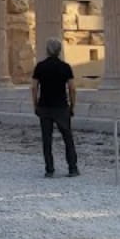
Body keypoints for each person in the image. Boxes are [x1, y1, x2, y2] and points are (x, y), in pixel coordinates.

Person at [31, 38, 79, 179]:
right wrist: (72, 105)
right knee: (67, 138)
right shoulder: (65, 67)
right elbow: (72, 88)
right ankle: (72, 168)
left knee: (47, 139)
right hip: (61, 106)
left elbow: (34, 87)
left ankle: (49, 169)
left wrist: (35, 104)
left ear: (47, 50)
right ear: (59, 51)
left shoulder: (40, 66)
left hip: (45, 106)